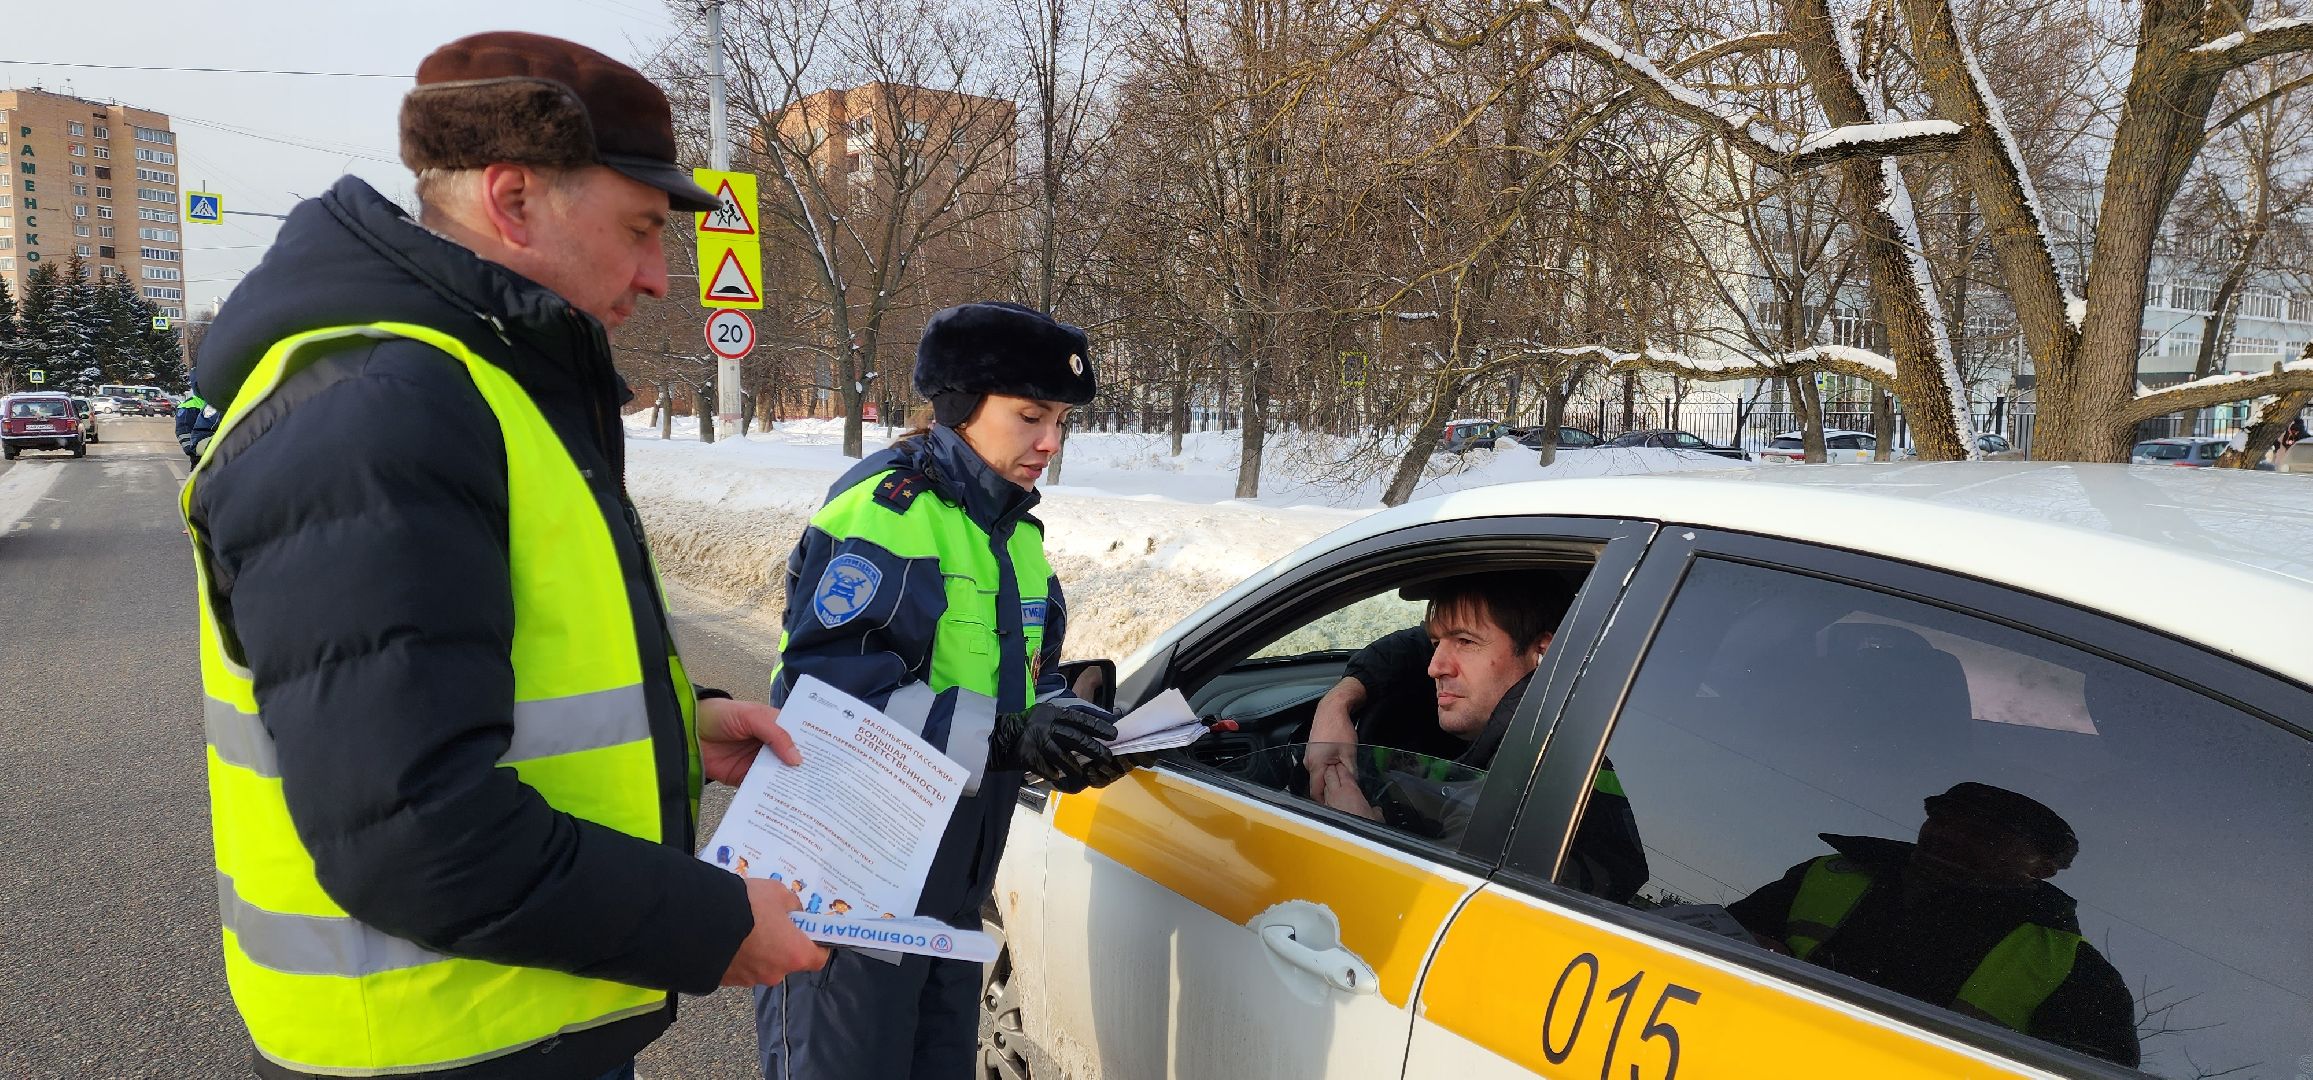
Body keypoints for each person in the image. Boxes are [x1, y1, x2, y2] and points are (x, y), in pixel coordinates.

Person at [182, 31, 826, 1080]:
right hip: (433, 1049)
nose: (659, 277)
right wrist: (713, 926)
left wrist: (679, 724)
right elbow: (415, 834)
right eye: (640, 229)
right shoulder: (379, 413)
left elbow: (485, 667)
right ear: (514, 199)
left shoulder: (464, 386)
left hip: (506, 1024)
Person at [755, 300, 1130, 1080]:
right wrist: (1005, 738)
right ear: (960, 405)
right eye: (1030, 416)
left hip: (953, 891)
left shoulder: (1015, 537)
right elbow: (829, 706)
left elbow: (1025, 682)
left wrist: (1062, 724)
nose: (1050, 443)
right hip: (849, 894)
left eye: (1061, 422)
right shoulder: (888, 515)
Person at [1727, 783, 2139, 1066]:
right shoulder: (1829, 874)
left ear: (2043, 869)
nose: (1949, 837)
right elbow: (1712, 933)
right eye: (1942, 820)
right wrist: (1749, 947)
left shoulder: (2076, 972)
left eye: (1984, 835)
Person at [1302, 572, 1647, 902]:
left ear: (1543, 652)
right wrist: (1338, 702)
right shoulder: (1571, 729)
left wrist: (1362, 837)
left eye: (1466, 642)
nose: (1435, 667)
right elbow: (1412, 644)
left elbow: (1427, 919)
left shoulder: (1512, 803)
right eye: (1437, 644)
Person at [173, 388, 216, 462]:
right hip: (203, 456)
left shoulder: (223, 402)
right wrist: (193, 452)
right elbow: (183, 430)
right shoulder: (190, 405)